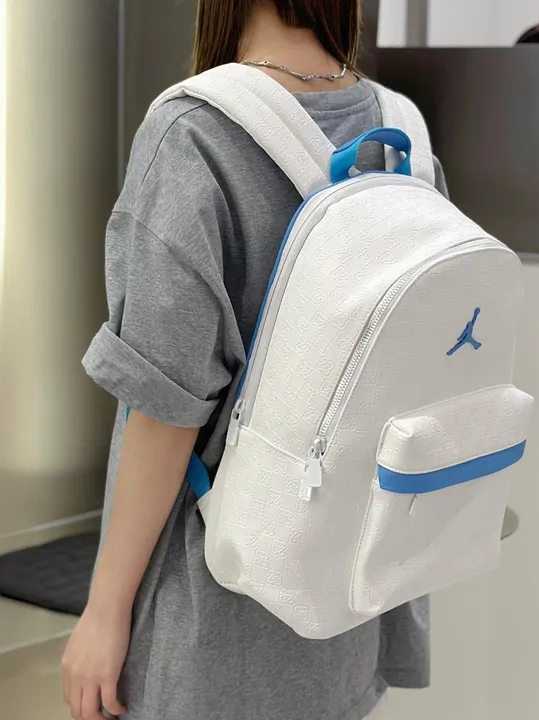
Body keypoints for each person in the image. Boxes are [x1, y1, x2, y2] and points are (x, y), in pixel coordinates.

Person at [61, 1, 447, 718]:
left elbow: (165, 413)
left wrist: (104, 612)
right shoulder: (401, 136)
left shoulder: (194, 133)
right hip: (348, 594)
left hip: (215, 617)